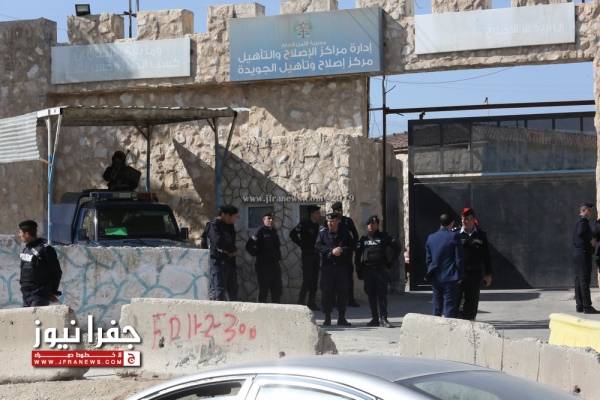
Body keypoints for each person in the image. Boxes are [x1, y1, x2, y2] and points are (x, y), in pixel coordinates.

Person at [355, 215, 399, 328]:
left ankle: (383, 318)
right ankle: (374, 318)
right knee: (371, 295)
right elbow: (357, 256)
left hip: (380, 270)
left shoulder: (384, 237)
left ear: (377, 225)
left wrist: (390, 262)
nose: (371, 226)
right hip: (368, 270)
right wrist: (358, 270)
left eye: (373, 224)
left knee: (382, 295)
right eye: (369, 224)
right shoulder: (363, 239)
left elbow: (397, 247)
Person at [315, 212, 353, 326]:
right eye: (328, 221)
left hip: (341, 268)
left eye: (332, 221)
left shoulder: (345, 233)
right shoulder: (323, 233)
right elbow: (318, 246)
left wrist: (341, 250)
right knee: (327, 292)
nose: (329, 223)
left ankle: (342, 318)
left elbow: (351, 246)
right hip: (328, 268)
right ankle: (327, 318)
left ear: (338, 221)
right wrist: (331, 251)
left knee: (342, 292)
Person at [425, 213, 464, 318]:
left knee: (437, 306)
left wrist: (431, 272)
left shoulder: (431, 237)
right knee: (449, 308)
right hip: (451, 277)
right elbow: (459, 258)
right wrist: (460, 275)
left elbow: (428, 259)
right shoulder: (454, 236)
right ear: (452, 223)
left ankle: (435, 326)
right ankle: (447, 326)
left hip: (436, 277)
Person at [18, 220, 62, 307]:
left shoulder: (46, 249)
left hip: (39, 295)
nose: (19, 235)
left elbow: (57, 272)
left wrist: (52, 292)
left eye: (20, 232)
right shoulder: (26, 250)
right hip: (26, 295)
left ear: (27, 234)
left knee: (36, 316)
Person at [458, 208, 492, 320]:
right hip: (459, 275)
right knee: (458, 302)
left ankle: (471, 323)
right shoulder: (456, 234)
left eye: (467, 219)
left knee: (472, 302)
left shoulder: (481, 235)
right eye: (463, 219)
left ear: (473, 220)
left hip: (474, 274)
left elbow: (486, 256)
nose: (464, 221)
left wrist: (488, 274)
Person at [289, 205, 321, 310]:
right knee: (307, 279)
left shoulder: (317, 225)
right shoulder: (304, 223)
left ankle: (312, 302)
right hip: (307, 255)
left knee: (314, 280)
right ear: (312, 214)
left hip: (316, 255)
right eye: (317, 213)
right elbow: (292, 234)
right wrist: (301, 244)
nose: (319, 215)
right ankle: (301, 301)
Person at [246, 212, 282, 303]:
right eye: (268, 218)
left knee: (277, 289)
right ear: (263, 220)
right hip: (263, 266)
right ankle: (260, 309)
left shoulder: (274, 232)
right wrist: (257, 253)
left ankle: (276, 308)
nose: (271, 220)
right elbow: (249, 245)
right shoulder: (260, 231)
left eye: (272, 218)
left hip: (274, 265)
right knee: (263, 289)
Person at [207, 205, 240, 301]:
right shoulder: (214, 225)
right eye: (234, 217)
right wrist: (230, 251)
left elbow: (232, 243)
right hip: (218, 263)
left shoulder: (230, 226)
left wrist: (233, 251)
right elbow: (218, 242)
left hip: (230, 263)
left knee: (233, 292)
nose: (235, 220)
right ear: (226, 215)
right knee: (219, 292)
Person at [331, 201, 360, 307]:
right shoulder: (330, 221)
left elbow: (355, 235)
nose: (339, 212)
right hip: (335, 254)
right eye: (337, 210)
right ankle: (334, 300)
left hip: (346, 253)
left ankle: (350, 299)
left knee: (348, 277)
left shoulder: (347, 221)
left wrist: (353, 247)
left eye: (340, 210)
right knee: (335, 278)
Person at [572, 202, 599, 314]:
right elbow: (581, 233)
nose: (590, 212)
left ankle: (580, 305)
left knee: (579, 280)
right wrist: (591, 240)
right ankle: (587, 307)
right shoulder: (583, 222)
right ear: (584, 211)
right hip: (583, 254)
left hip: (578, 254)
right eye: (589, 210)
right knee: (584, 280)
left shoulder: (578, 222)